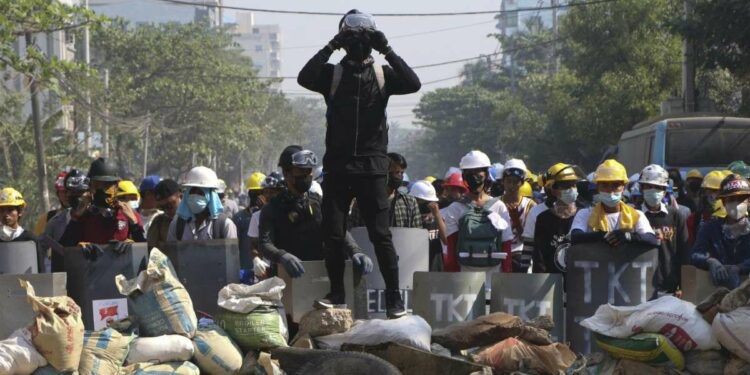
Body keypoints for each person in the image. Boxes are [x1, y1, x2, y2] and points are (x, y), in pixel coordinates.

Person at [297, 9, 421, 318]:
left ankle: (394, 299)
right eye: (352, 37)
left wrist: (386, 48)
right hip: (339, 167)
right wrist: (331, 45)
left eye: (363, 37)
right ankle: (337, 293)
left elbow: (414, 83)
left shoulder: (382, 75)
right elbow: (304, 77)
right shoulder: (333, 74)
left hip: (373, 167)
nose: (357, 43)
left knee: (381, 235)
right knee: (334, 233)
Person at [258, 146, 373, 287]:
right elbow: (265, 244)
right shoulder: (272, 208)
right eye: (301, 171)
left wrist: (355, 251)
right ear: (287, 174)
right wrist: (282, 256)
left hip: (320, 276)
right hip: (286, 279)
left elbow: (338, 230)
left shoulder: (319, 202)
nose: (307, 175)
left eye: (309, 171)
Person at [441, 151, 513, 287]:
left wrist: (506, 279)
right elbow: (451, 246)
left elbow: (506, 246)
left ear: (486, 174)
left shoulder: (499, 206)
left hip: (486, 278)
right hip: (469, 279)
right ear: (464, 176)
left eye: (478, 172)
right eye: (470, 173)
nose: (474, 177)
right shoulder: (455, 208)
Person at [59, 158, 145, 267]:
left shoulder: (128, 214)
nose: (101, 191)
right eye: (97, 185)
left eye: (107, 186)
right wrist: (78, 248)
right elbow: (63, 250)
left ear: (116, 186)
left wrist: (133, 242)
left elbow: (145, 251)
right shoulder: (84, 215)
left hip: (123, 277)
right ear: (90, 186)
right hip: (91, 276)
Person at [569, 160, 658, 247]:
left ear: (623, 187)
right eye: (604, 185)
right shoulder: (585, 214)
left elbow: (651, 239)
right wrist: (601, 236)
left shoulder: (636, 215)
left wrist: (628, 236)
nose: (610, 190)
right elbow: (575, 237)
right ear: (597, 188)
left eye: (615, 185)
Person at [638, 165, 690, 296]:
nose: (653, 191)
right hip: (639, 286)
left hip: (669, 287)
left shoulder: (675, 215)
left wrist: (683, 285)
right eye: (649, 186)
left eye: (658, 187)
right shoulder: (634, 214)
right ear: (641, 188)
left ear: (665, 190)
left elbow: (683, 252)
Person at [691, 174, 750, 289]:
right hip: (714, 292)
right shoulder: (709, 228)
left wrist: (739, 268)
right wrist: (710, 261)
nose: (737, 204)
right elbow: (695, 255)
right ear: (723, 202)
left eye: (742, 199)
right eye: (732, 199)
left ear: (748, 202)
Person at [348, 152, 421, 229]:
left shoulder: (410, 203)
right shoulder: (363, 202)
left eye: (401, 173)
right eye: (396, 172)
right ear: (383, 173)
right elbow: (354, 231)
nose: (399, 176)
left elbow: (417, 233)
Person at [167, 166, 237, 241]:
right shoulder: (177, 225)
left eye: (200, 193)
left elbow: (231, 252)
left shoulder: (225, 225)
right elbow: (171, 251)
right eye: (192, 192)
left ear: (211, 196)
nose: (195, 196)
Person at [532, 164, 580, 273]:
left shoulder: (583, 215)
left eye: (573, 185)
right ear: (553, 189)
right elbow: (539, 257)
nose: (571, 189)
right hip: (551, 282)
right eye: (565, 186)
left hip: (579, 281)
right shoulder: (543, 219)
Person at [42, 169, 88, 271]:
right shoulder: (55, 221)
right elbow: (43, 249)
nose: (76, 197)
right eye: (71, 192)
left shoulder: (97, 217)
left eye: (80, 192)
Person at [501, 159, 537, 273]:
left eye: (515, 182)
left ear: (521, 183)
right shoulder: (495, 203)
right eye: (508, 181)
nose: (511, 186)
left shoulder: (530, 205)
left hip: (520, 255)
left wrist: (516, 220)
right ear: (503, 182)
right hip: (499, 253)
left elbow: (527, 239)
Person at [408, 180, 448, 271]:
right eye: (424, 202)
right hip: (414, 267)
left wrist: (436, 214)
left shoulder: (437, 218)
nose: (429, 206)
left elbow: (446, 239)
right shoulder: (410, 218)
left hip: (435, 268)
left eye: (431, 202)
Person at [234, 171, 266, 270]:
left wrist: (265, 210)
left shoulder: (273, 217)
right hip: (245, 269)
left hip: (266, 269)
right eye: (254, 193)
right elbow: (234, 248)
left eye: (261, 193)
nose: (257, 197)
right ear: (249, 193)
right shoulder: (239, 217)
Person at [687, 170, 730, 244]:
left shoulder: (735, 218)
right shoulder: (695, 218)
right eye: (709, 190)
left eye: (718, 191)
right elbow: (690, 245)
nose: (714, 195)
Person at [147, 178, 181, 250]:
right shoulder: (159, 222)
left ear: (180, 196)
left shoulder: (194, 219)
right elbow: (151, 249)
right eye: (162, 208)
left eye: (169, 206)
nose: (166, 211)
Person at [33, 171, 68, 236]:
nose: (68, 195)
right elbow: (37, 243)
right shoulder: (47, 219)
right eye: (63, 191)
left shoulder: (88, 217)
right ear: (57, 193)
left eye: (71, 191)